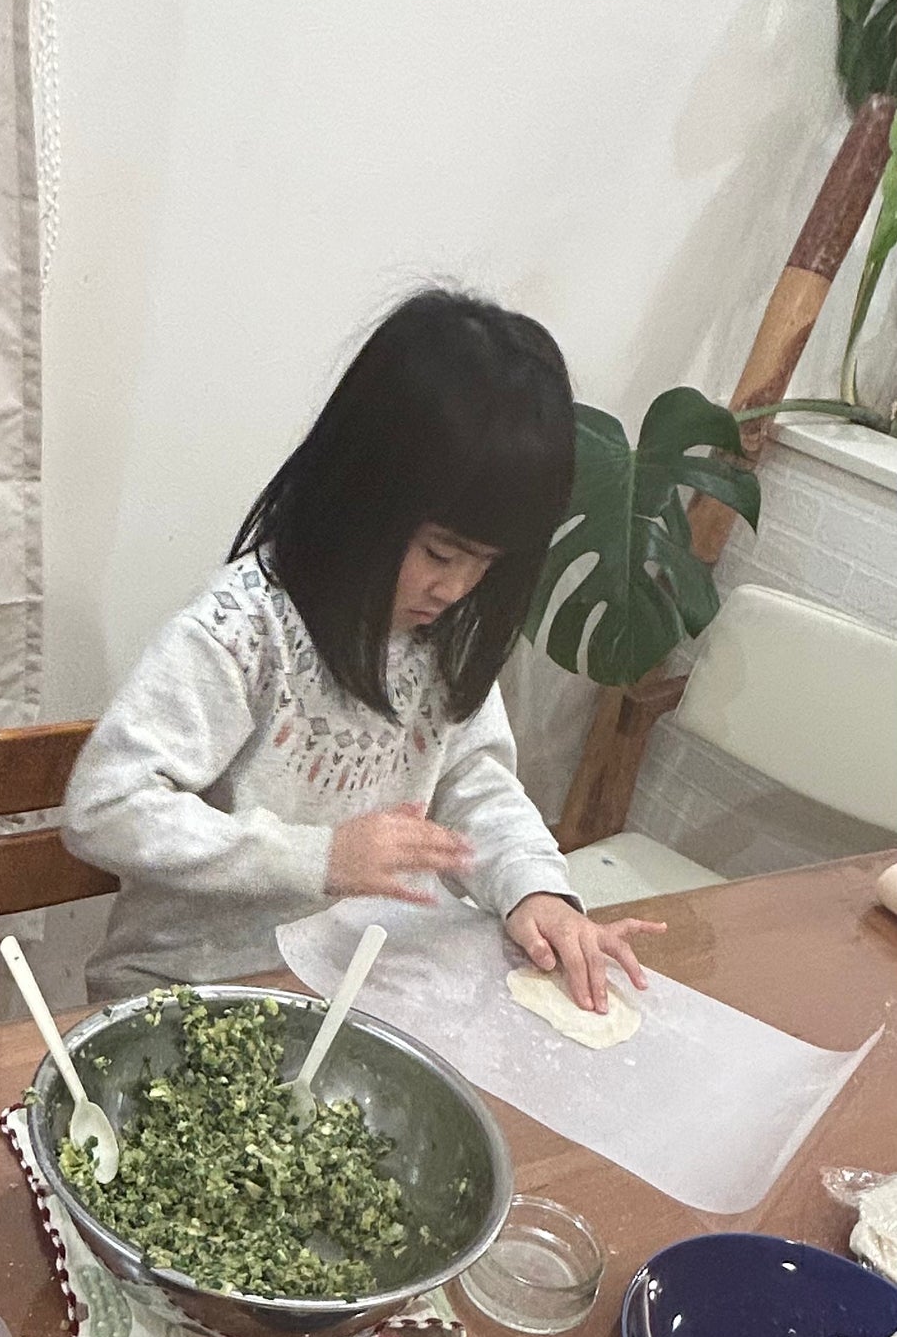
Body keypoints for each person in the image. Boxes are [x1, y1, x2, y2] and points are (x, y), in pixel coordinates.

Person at [63, 289, 662, 1009]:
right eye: (441, 552)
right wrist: (320, 856)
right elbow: (106, 806)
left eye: (487, 564)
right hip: (194, 986)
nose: (456, 588)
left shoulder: (443, 632)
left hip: (361, 979)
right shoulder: (244, 628)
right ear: (362, 495)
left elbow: (472, 781)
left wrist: (534, 888)